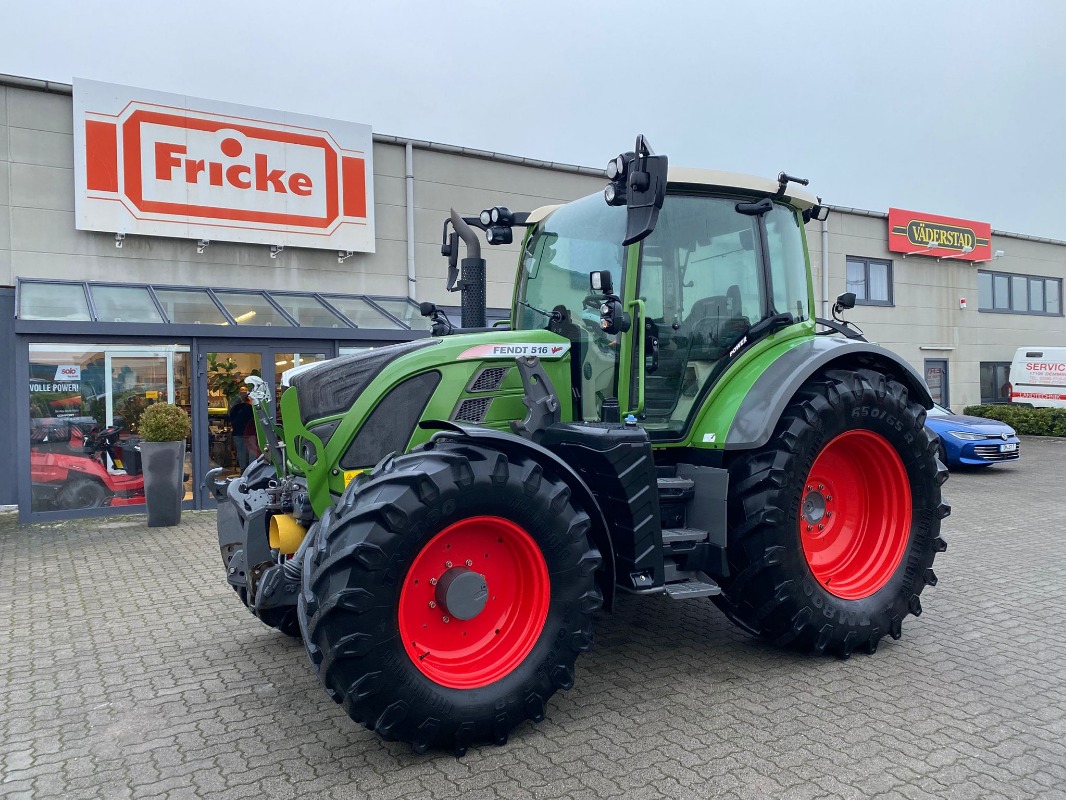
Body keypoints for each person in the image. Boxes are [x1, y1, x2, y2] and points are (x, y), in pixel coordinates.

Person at [228, 388, 259, 470]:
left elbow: (230, 419)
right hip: (250, 432)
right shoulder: (250, 408)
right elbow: (255, 420)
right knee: (252, 451)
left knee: (241, 451)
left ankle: (243, 469)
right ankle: (251, 469)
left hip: (238, 432)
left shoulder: (234, 409)